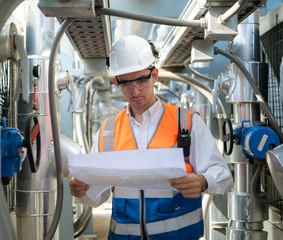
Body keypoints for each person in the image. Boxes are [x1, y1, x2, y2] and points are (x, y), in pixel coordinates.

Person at [69, 35, 233, 240]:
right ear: (115, 82)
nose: (135, 90)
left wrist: (203, 181)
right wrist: (82, 190)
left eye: (141, 79)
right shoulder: (108, 130)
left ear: (154, 75)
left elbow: (223, 175)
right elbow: (98, 197)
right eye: (126, 83)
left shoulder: (187, 122)